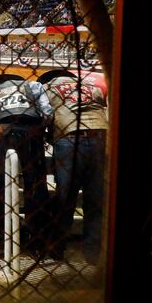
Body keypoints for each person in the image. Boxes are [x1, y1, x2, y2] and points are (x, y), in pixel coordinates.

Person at [0, 74, 56, 258]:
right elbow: (48, 113)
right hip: (30, 132)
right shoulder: (33, 86)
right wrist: (40, 129)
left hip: (2, 132)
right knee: (35, 185)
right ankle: (38, 241)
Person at [38, 69, 108, 264]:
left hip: (69, 138)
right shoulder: (91, 85)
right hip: (101, 135)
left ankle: (57, 248)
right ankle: (93, 252)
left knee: (65, 197)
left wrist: (47, 135)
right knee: (95, 199)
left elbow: (44, 115)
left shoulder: (46, 87)